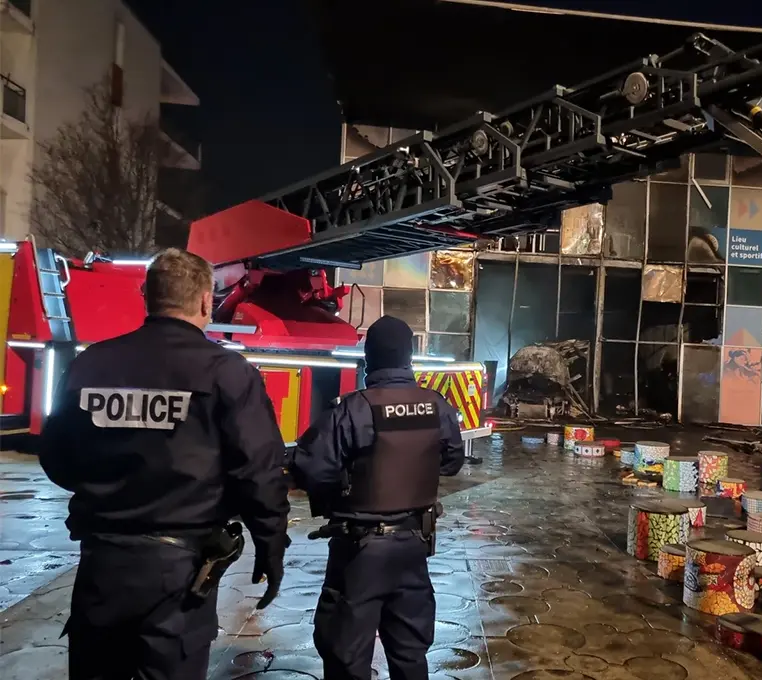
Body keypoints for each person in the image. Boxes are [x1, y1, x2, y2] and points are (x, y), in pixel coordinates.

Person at [39, 248, 291, 680]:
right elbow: (258, 470)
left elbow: (58, 456)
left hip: (102, 565)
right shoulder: (226, 372)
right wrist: (271, 544)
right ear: (205, 302)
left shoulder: (91, 363)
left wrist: (110, 489)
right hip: (179, 578)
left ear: (146, 296)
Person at [290, 315, 465, 680]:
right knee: (410, 653)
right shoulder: (436, 405)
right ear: (409, 356)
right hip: (414, 547)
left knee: (347, 655)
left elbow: (310, 467)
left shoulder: (353, 409)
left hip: (359, 554)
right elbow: (451, 462)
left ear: (368, 359)